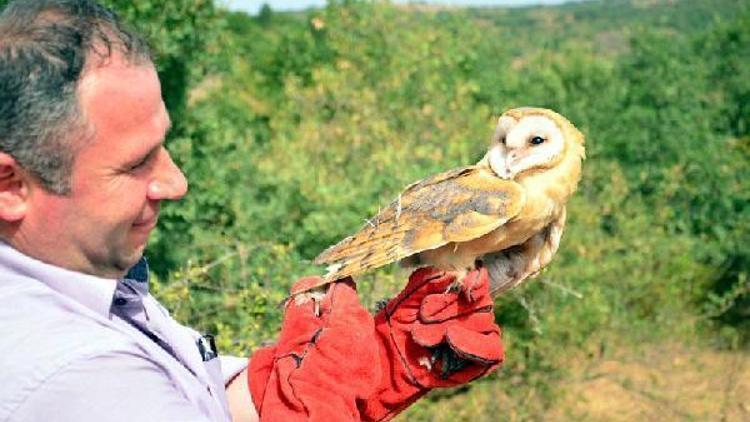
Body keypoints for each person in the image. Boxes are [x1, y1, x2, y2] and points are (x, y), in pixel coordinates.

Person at [0, 1, 504, 421]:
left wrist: (376, 360)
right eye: (135, 164)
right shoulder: (76, 377)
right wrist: (326, 404)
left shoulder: (80, 278)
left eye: (162, 145)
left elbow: (206, 399)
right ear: (11, 185)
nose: (176, 182)